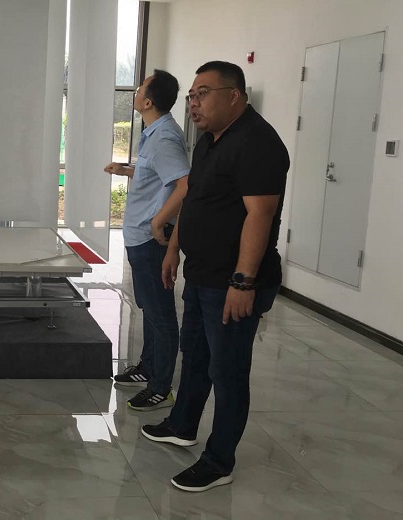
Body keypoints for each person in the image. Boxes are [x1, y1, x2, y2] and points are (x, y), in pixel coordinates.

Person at [141, 61, 290, 492]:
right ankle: (182, 425)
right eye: (191, 95)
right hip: (202, 275)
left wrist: (243, 282)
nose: (193, 103)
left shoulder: (258, 143)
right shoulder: (209, 141)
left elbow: (260, 215)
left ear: (234, 95)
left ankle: (219, 460)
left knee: (228, 372)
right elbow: (195, 199)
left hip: (232, 283)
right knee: (195, 357)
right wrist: (174, 247)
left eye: (203, 93)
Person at [106, 70, 189, 411]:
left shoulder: (164, 137)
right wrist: (127, 171)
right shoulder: (155, 132)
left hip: (150, 239)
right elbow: (159, 175)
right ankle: (148, 367)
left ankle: (161, 387)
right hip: (139, 237)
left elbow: (185, 183)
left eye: (140, 89)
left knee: (160, 314)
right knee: (149, 309)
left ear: (148, 102)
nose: (136, 92)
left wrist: (158, 221)